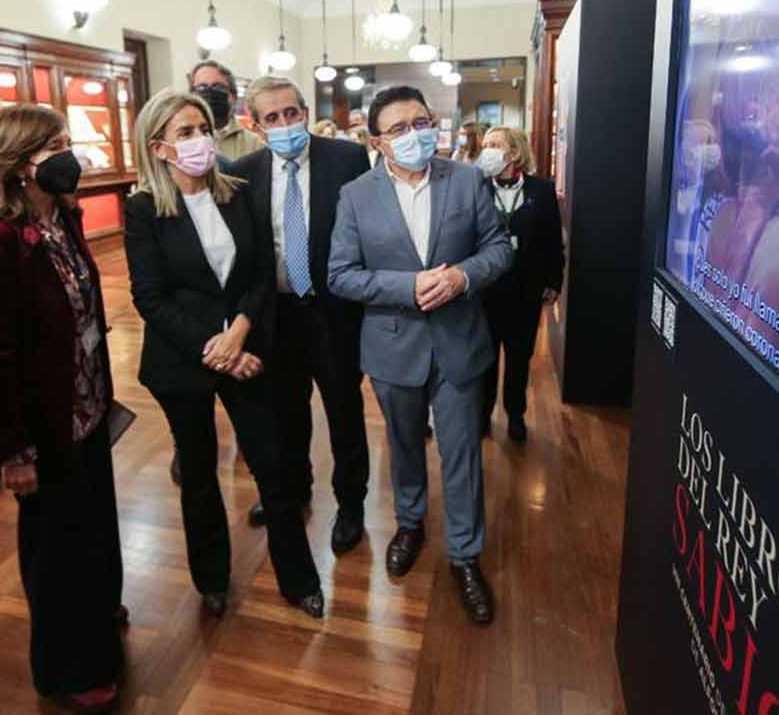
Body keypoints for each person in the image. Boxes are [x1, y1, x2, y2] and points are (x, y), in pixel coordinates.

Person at [124, 90, 324, 619]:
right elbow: (150, 296)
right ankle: (211, 578)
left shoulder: (236, 192)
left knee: (274, 466)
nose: (199, 141)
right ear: (159, 146)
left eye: (202, 129)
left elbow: (259, 273)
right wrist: (217, 350)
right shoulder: (143, 208)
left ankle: (298, 577)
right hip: (181, 360)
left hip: (247, 347)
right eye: (185, 132)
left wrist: (239, 332)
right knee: (197, 472)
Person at [0, 105, 125, 709]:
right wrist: (13, 452)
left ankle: (100, 619)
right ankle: (68, 666)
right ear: (19, 161)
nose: (67, 154)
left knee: (95, 532)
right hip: (39, 425)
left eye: (66, 141)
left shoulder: (64, 217)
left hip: (85, 409)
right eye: (53, 144)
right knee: (55, 551)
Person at [327, 85, 512, 625]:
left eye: (421, 122)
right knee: (404, 445)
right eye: (399, 129)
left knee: (462, 457)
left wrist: (461, 276)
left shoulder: (467, 179)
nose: (414, 135)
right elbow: (342, 274)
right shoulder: (356, 196)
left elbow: (498, 249)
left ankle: (465, 555)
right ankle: (410, 524)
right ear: (378, 141)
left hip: (459, 342)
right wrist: (407, 287)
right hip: (392, 344)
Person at [229, 77, 371, 554]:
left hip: (333, 312)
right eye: (272, 117)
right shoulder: (244, 172)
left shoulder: (346, 159)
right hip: (277, 316)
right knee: (286, 416)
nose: (285, 124)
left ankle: (352, 504)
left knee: (345, 415)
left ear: (305, 111)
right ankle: (294, 489)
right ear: (255, 124)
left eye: (292, 113)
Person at [476, 126, 564, 443]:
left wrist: (555, 279)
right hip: (486, 290)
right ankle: (482, 415)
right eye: (485, 144)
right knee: (485, 358)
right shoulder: (477, 188)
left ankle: (515, 414)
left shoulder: (541, 190)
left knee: (518, 356)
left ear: (514, 153)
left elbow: (554, 241)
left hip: (525, 289)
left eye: (495, 145)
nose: (487, 150)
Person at [188, 60, 262, 161]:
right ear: (191, 96)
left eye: (218, 87)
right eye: (202, 88)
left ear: (234, 97)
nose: (210, 92)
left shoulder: (255, 145)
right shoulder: (182, 141)